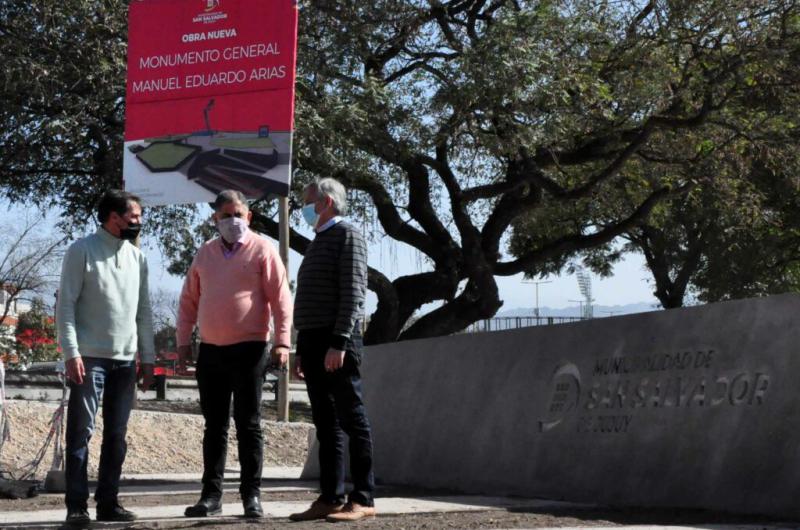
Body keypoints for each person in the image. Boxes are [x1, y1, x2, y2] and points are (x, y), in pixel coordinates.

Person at [176, 190, 292, 519]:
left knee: (249, 425)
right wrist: (183, 341)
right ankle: (210, 497)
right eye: (225, 215)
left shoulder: (263, 250)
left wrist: (283, 342)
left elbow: (282, 300)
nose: (232, 221)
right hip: (210, 351)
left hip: (251, 349)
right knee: (214, 426)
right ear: (215, 219)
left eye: (238, 214)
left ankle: (251, 497)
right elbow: (188, 301)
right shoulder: (205, 253)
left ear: (249, 217)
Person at [57, 189, 155, 525]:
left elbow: (144, 311)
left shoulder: (138, 258)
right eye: (134, 216)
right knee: (81, 432)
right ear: (113, 217)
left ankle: (108, 502)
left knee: (117, 435)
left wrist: (149, 357)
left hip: (126, 362)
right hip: (89, 358)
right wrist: (71, 352)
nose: (138, 222)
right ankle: (76, 505)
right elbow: (65, 305)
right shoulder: (81, 250)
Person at [289, 178, 376, 522]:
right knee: (325, 423)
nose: (304, 208)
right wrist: (301, 348)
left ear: (325, 202)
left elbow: (354, 292)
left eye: (308, 201)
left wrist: (339, 341)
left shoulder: (348, 234)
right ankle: (330, 497)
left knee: (352, 419)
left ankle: (364, 497)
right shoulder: (319, 239)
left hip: (336, 341)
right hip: (312, 341)